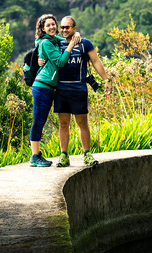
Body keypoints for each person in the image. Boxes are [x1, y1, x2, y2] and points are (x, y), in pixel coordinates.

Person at [51, 16, 112, 167]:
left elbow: (96, 61)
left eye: (68, 27)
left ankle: (87, 154)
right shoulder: (56, 44)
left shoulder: (84, 43)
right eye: (63, 27)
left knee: (82, 123)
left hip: (79, 89)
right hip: (61, 89)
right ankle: (64, 155)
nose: (65, 30)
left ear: (74, 28)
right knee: (63, 124)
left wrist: (106, 80)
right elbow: (42, 41)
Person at [28, 14, 81, 167]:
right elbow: (60, 61)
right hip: (42, 86)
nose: (52, 27)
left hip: (49, 87)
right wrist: (70, 47)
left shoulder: (54, 40)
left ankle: (36, 155)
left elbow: (67, 39)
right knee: (38, 120)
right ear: (43, 29)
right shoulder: (46, 43)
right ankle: (34, 156)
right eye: (48, 25)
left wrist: (75, 34)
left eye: (53, 24)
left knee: (41, 119)